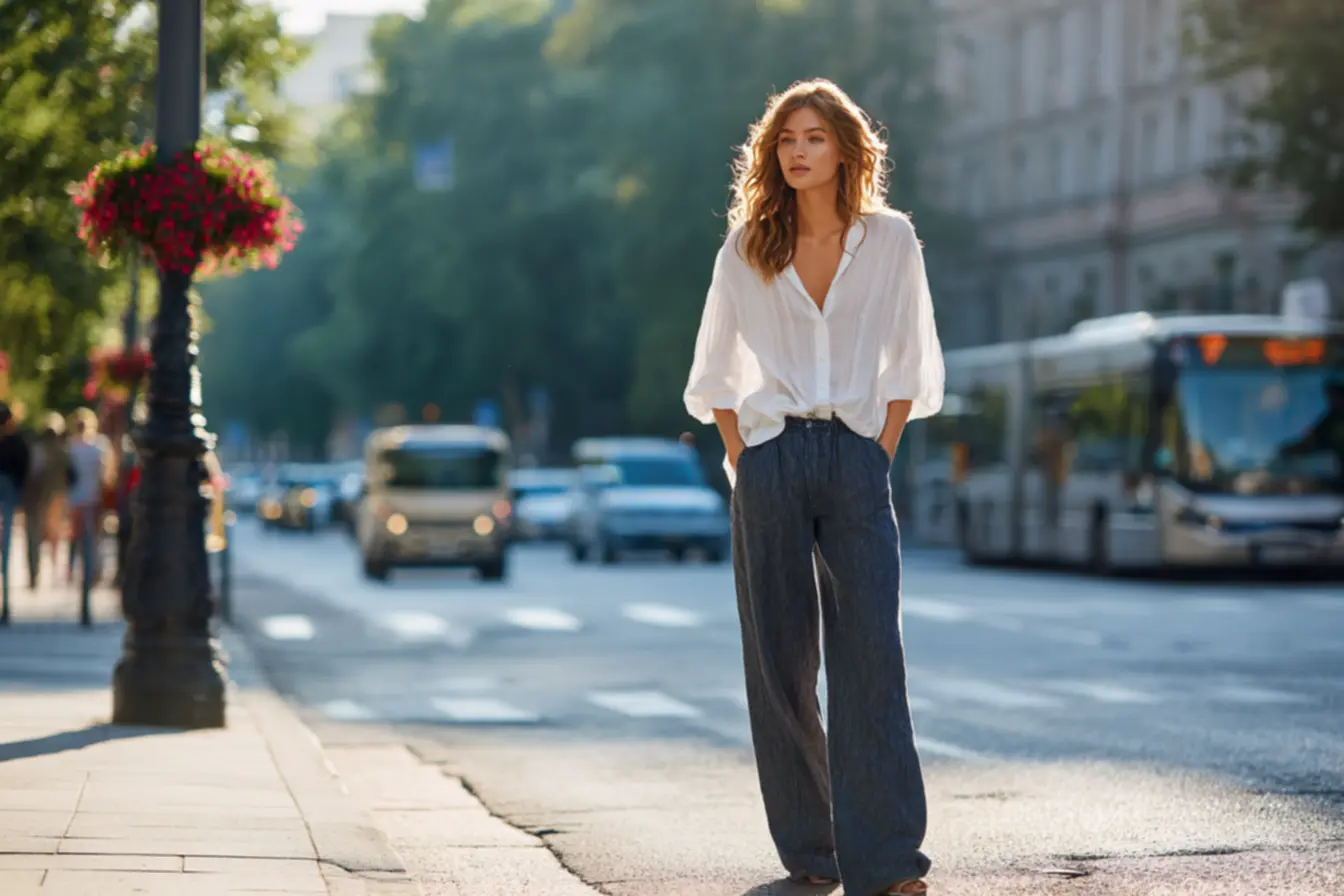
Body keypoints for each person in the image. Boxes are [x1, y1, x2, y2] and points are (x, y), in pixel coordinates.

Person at [683, 79, 944, 896]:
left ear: (844, 149)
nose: (798, 152)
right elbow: (714, 376)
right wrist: (746, 456)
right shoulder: (746, 248)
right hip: (772, 458)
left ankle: (889, 861)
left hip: (856, 456)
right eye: (786, 139)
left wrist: (879, 451)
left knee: (872, 658)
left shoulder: (890, 240)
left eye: (814, 138)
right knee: (781, 660)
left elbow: (911, 360)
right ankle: (812, 847)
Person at [65, 409, 113, 586]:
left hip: (77, 498)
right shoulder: (100, 445)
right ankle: (93, 571)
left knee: (78, 538)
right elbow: (106, 474)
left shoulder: (71, 447)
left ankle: (80, 571)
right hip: (93, 497)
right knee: (93, 538)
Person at [22, 413, 69, 588]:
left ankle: (36, 574)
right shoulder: (63, 451)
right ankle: (49, 574)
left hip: (42, 499)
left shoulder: (38, 450)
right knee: (52, 538)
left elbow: (32, 475)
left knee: (35, 537)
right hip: (52, 498)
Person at [0, 402, 32, 618]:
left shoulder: (15, 442)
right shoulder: (16, 442)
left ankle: (5, 602)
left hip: (9, 496)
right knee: (6, 550)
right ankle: (5, 602)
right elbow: (24, 469)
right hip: (10, 496)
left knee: (6, 551)